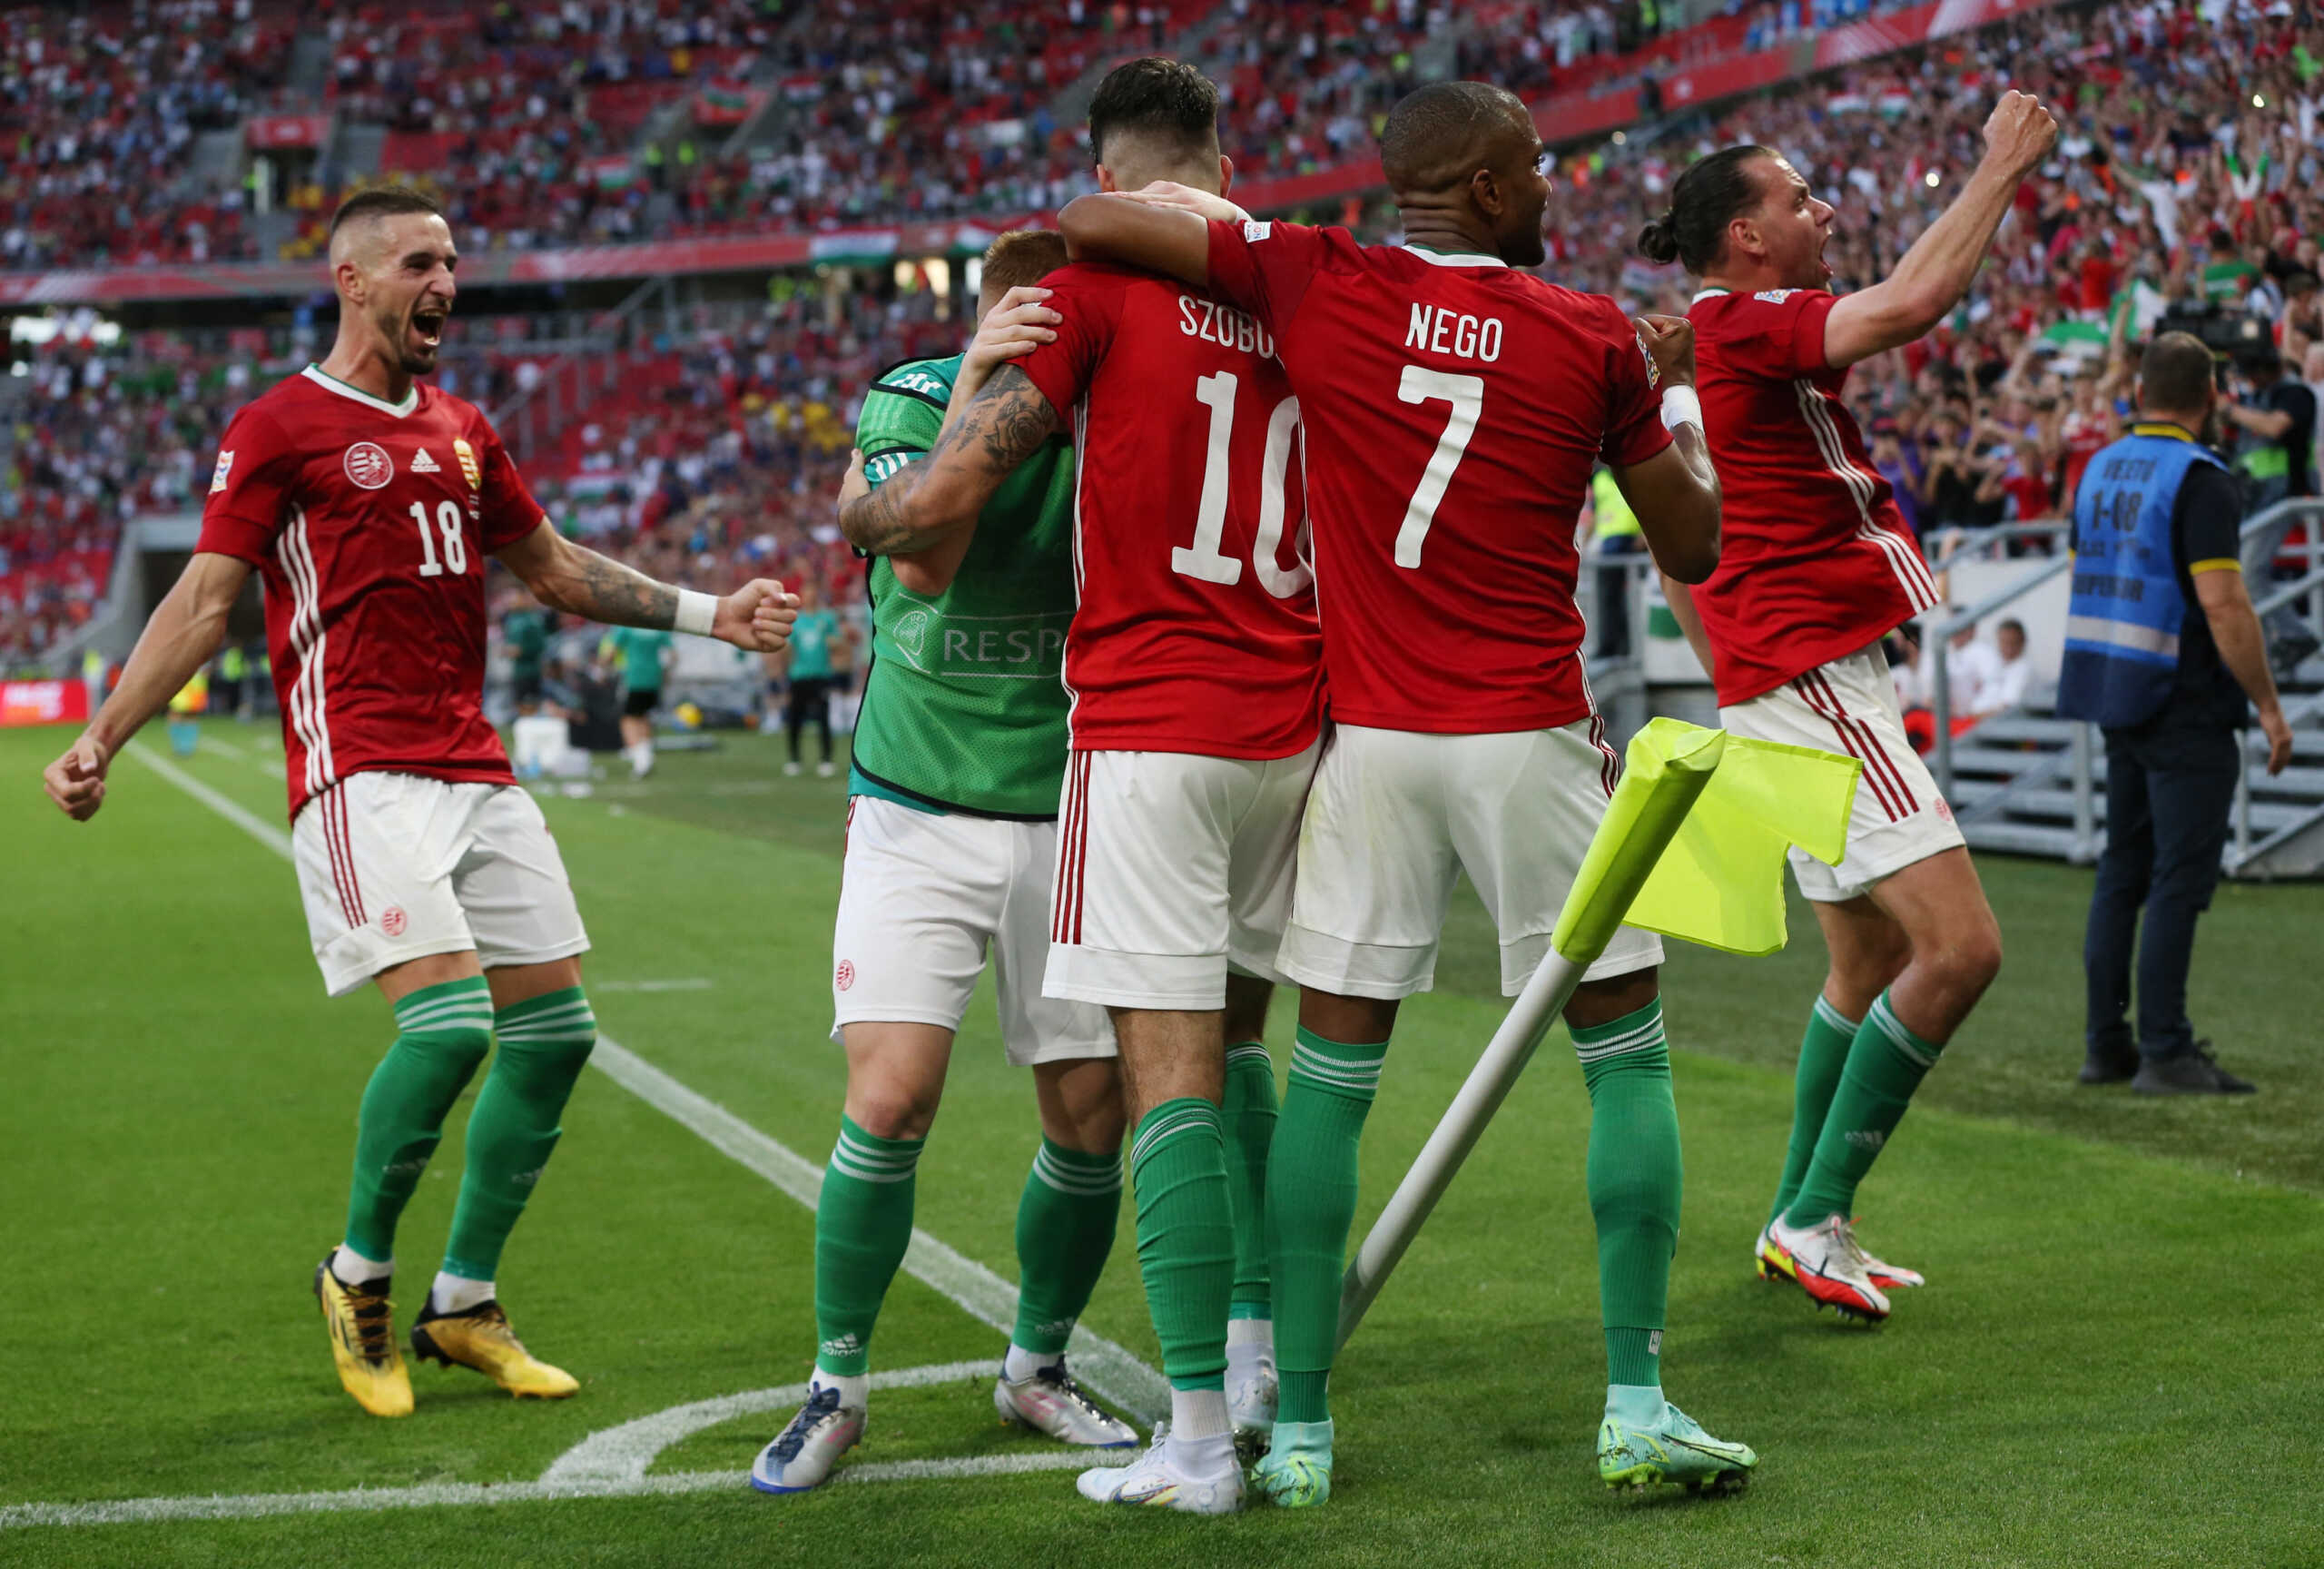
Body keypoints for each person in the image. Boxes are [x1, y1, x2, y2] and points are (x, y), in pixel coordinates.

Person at [1057, 78, 1748, 1499]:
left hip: (1367, 742)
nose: (1557, 187)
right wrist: (1674, 389)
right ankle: (1635, 1400)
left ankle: (1298, 1425)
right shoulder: (1591, 333)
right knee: (1626, 1052)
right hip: (1529, 737)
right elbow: (1697, 542)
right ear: (1488, 190)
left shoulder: (1321, 276)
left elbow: (1090, 214)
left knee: (1332, 1082)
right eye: (1539, 168)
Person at [40, 187, 796, 1419]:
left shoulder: (462, 425)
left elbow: (553, 570)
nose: (446, 281)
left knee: (557, 1039)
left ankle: (464, 1303)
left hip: (477, 769)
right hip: (360, 773)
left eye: (453, 261)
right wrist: (103, 738)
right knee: (448, 1031)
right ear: (350, 280)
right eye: (419, 262)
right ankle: (358, 1275)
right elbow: (200, 603)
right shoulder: (280, 425)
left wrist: (713, 612)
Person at [836, 56, 1324, 1513]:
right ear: (1227, 169)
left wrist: (854, 507)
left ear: (1109, 189)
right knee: (1280, 1058)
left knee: (1154, 1077)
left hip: (1146, 727)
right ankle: (1273, 1362)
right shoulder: (1319, 293)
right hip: (1302, 725)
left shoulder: (1098, 299)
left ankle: (1193, 1434)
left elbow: (920, 523)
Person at [1642, 91, 2053, 1324]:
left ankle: (1799, 1217)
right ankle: (1814, 1212)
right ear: (1745, 238)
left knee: (1869, 957)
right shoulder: (1752, 322)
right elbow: (1915, 306)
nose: (1823, 211)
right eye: (1798, 199)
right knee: (1962, 948)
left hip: (1793, 668)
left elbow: (1682, 547)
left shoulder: (1716, 344)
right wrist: (1997, 167)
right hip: (1812, 674)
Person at [749, 231, 1141, 1498]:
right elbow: (921, 554)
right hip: (916, 806)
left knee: (1090, 1119)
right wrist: (984, 384)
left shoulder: (1134, 413)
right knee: (892, 1098)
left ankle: (1035, 1367)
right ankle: (837, 1386)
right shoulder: (914, 399)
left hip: (1076, 802)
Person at [2058, 331, 2290, 1095]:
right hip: (2185, 699)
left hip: (2115, 691)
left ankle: (2105, 1043)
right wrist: (2267, 704)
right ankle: (2165, 1049)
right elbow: (2224, 603)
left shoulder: (2097, 469)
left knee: (2121, 875)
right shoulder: (2200, 478)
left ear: (2139, 394)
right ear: (2211, 397)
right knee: (2177, 882)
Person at [2221, 354, 2317, 513]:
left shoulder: (2295, 393)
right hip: (2252, 497)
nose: (2252, 380)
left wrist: (2228, 409)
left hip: (2289, 500)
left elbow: (2274, 427)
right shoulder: (2253, 399)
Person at [779, 580, 840, 777]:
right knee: (795, 718)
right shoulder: (796, 620)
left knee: (823, 718)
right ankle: (794, 759)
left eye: (813, 592)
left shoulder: (827, 619)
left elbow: (837, 643)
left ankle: (826, 759)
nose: (810, 596)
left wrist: (830, 640)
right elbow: (788, 647)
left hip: (820, 674)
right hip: (799, 675)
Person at [1586, 465, 1645, 657]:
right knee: (1607, 599)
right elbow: (1595, 514)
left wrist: (1643, 537)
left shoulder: (1633, 472)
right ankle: (1609, 647)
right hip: (1609, 547)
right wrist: (1585, 544)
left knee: (1630, 599)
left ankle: (1627, 649)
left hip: (1632, 546)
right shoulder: (1600, 479)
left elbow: (1647, 506)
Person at [602, 622, 672, 777]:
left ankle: (640, 760)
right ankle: (646, 753)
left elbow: (612, 652)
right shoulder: (657, 627)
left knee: (628, 718)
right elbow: (672, 655)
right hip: (654, 678)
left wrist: (602, 666)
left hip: (633, 678)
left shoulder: (627, 626)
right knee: (643, 716)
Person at [503, 597, 551, 715]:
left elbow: (540, 645)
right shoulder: (512, 619)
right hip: (517, 670)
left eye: (514, 599)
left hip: (530, 670)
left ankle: (533, 726)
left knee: (530, 703)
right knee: (518, 702)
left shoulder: (533, 620)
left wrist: (523, 650)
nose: (511, 603)